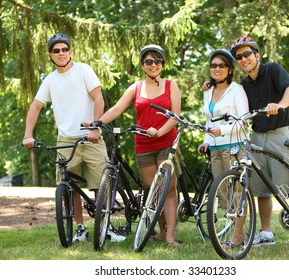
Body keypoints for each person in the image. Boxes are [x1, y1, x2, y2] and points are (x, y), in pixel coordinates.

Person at [22, 33, 125, 243]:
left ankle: (106, 226)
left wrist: (96, 128)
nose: (61, 53)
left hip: (90, 136)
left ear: (70, 52)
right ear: (50, 55)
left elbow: (98, 98)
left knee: (100, 184)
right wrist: (28, 135)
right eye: (56, 51)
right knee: (69, 186)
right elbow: (35, 107)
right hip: (66, 139)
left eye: (64, 49)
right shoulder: (50, 81)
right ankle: (79, 227)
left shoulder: (83, 70)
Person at [83, 44, 182, 247]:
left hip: (165, 141)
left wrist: (160, 131)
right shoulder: (135, 88)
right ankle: (162, 231)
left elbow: (176, 116)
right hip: (143, 144)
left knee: (168, 189)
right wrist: (97, 123)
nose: (153, 65)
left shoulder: (171, 86)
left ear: (162, 64)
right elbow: (117, 109)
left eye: (156, 61)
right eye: (148, 61)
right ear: (142, 65)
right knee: (152, 189)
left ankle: (170, 235)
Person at [229, 36, 289, 252]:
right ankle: (266, 233)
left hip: (279, 135)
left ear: (256, 55)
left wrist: (280, 105)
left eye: (247, 54)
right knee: (261, 189)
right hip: (256, 136)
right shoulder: (244, 84)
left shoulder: (273, 69)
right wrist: (211, 83)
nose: (244, 59)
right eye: (239, 57)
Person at [198, 49, 249, 247]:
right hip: (215, 149)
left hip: (235, 147)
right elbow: (208, 120)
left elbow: (243, 121)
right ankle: (238, 231)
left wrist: (223, 130)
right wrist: (206, 140)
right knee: (221, 192)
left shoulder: (237, 90)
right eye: (213, 65)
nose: (217, 68)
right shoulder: (208, 91)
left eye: (221, 65)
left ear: (229, 69)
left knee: (237, 192)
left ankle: (238, 234)